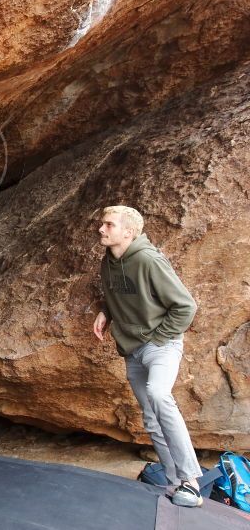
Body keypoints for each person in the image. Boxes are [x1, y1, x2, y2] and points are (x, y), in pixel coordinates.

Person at [93, 205, 202, 507]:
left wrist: (156, 338)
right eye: (102, 224)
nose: (101, 229)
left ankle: (192, 480)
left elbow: (185, 306)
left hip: (160, 345)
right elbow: (116, 293)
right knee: (151, 419)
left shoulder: (148, 260)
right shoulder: (108, 262)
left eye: (109, 225)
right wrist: (106, 312)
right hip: (131, 350)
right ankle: (175, 481)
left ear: (128, 232)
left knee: (159, 394)